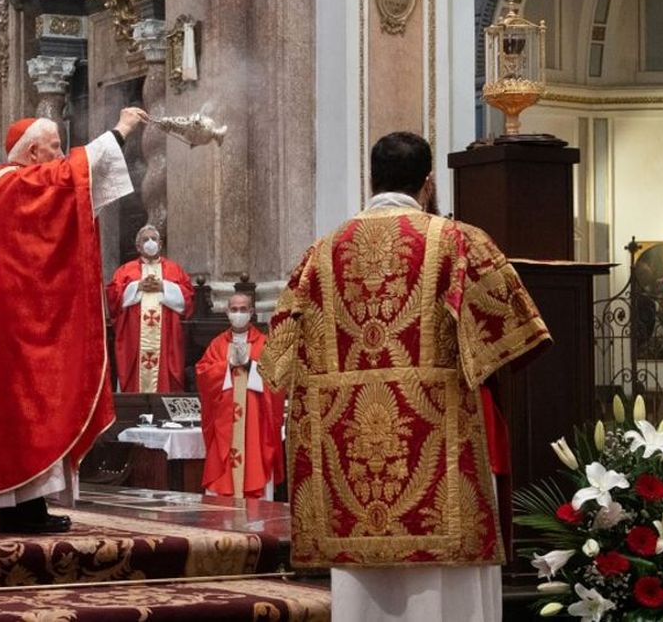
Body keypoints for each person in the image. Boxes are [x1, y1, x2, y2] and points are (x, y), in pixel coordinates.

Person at [261, 132, 550, 622]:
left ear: (369, 178)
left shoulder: (320, 256)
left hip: (352, 478)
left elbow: (277, 362)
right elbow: (518, 336)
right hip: (439, 466)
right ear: (428, 181)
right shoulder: (459, 244)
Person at [0, 108, 150, 532]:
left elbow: (69, 185)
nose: (61, 155)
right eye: (54, 147)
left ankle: (27, 507)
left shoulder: (15, 184)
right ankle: (22, 512)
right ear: (30, 152)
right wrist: (120, 131)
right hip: (21, 325)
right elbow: (68, 178)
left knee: (30, 411)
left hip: (20, 319)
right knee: (30, 410)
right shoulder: (11, 185)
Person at [195, 288, 284, 500]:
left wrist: (250, 366)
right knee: (223, 473)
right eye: (234, 309)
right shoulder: (217, 345)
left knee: (254, 462)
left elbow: (277, 378)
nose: (238, 313)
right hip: (225, 424)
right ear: (227, 312)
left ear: (252, 311)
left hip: (256, 424)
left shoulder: (265, 344)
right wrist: (227, 366)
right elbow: (203, 375)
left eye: (243, 309)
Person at [109, 224, 194, 393]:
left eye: (153, 239)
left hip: (166, 337)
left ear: (160, 244)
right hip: (134, 338)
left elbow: (188, 299)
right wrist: (137, 287)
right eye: (145, 239)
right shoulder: (125, 271)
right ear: (138, 246)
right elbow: (113, 299)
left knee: (165, 377)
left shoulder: (174, 269)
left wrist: (164, 287)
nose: (150, 242)